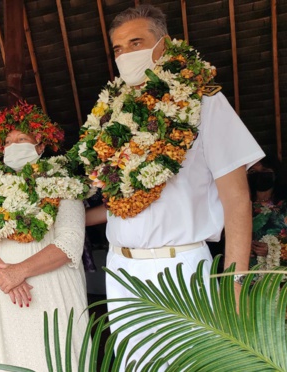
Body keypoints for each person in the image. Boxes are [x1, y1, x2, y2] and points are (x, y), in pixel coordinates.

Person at [72, 4, 265, 370]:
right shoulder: (113, 120)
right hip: (121, 269)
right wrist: (71, 220)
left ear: (162, 45)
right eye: (118, 49)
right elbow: (125, 203)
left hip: (180, 269)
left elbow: (237, 200)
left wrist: (236, 283)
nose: (126, 55)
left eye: (136, 42)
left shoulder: (204, 103)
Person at [0, 102, 90, 371]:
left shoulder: (63, 181)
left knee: (59, 358)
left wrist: (18, 271)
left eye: (22, 139)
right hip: (7, 294)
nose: (13, 145)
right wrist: (5, 276)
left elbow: (69, 243)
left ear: (40, 145)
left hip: (53, 291)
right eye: (8, 141)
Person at [248, 158, 286, 269]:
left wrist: (273, 249)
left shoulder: (283, 207)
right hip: (247, 278)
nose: (259, 175)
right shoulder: (240, 207)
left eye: (265, 170)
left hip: (279, 278)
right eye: (252, 172)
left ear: (276, 173)